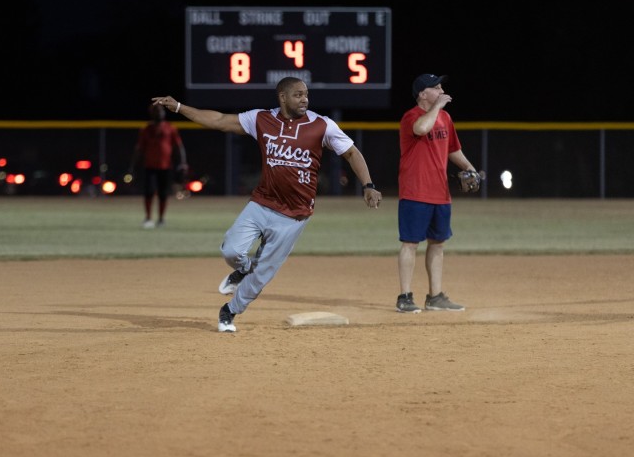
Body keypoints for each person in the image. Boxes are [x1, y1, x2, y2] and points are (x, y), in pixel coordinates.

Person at [152, 77, 382, 332]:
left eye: (306, 94)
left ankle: (230, 311)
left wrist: (368, 185)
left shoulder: (322, 125)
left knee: (262, 276)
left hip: (294, 215)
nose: (304, 99)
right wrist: (178, 107)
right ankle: (244, 268)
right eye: (297, 94)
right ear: (282, 97)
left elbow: (351, 152)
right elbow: (219, 121)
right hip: (262, 203)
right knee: (231, 250)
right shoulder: (261, 119)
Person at [395, 74, 480, 313]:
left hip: (440, 193)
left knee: (438, 244)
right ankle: (404, 296)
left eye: (441, 87)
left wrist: (469, 167)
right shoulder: (411, 117)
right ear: (423, 94)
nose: (442, 90)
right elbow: (422, 129)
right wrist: (438, 105)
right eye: (436, 88)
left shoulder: (445, 118)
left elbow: (453, 149)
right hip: (415, 191)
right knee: (410, 243)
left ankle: (435, 296)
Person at [128, 102, 188, 229]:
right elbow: (139, 148)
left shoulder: (170, 128)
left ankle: (161, 219)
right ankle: (148, 218)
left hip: (166, 166)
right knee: (149, 192)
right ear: (152, 113)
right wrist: (133, 166)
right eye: (157, 111)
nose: (160, 113)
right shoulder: (146, 129)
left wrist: (182, 163)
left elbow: (178, 147)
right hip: (149, 165)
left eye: (161, 110)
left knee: (163, 194)